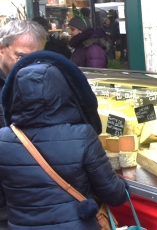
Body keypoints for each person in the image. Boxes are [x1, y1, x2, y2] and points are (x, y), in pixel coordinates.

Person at [0, 51, 128, 229]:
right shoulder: (82, 135)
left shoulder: (2, 138)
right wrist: (124, 184)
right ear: (63, 90)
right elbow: (114, 195)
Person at [0, 20, 47, 229]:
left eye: (37, 59)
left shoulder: (41, 79)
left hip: (30, 195)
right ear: (1, 49)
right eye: (20, 56)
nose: (27, 65)